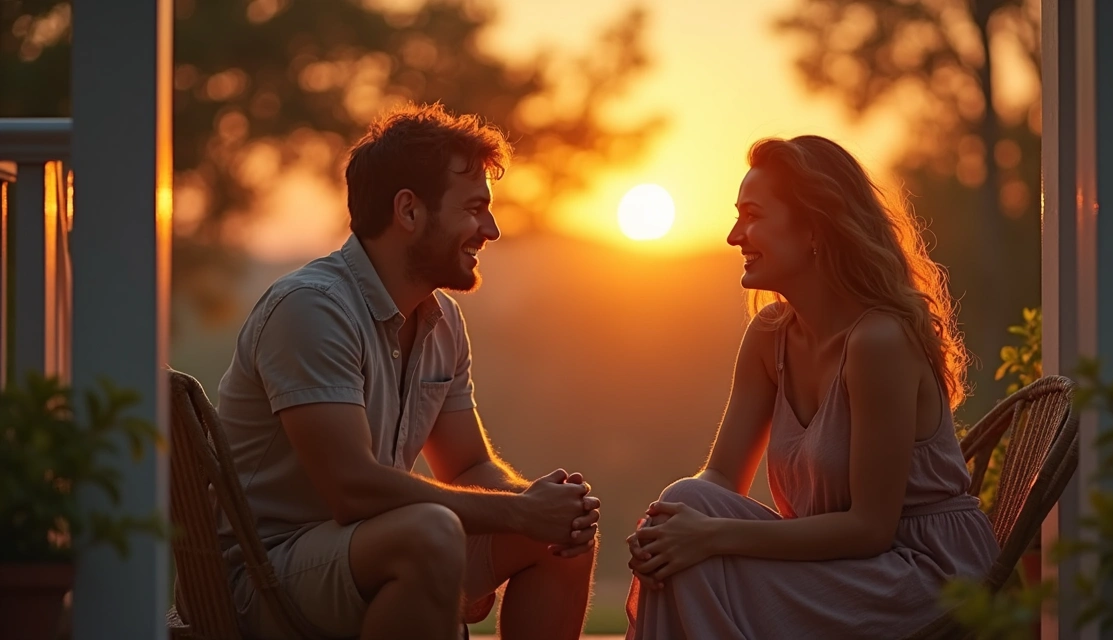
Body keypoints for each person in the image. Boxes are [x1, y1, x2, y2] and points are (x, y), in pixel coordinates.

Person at [215, 103, 599, 640]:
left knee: (565, 536)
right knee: (430, 532)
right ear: (409, 211)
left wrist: (538, 504)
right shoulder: (311, 308)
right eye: (473, 208)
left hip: (374, 545)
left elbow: (466, 466)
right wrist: (516, 515)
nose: (491, 229)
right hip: (264, 576)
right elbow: (353, 490)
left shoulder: (442, 322)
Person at [624, 135, 1000, 638]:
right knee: (686, 502)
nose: (735, 235)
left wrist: (709, 537)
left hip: (922, 574)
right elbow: (721, 476)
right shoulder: (770, 336)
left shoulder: (878, 342)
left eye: (753, 215)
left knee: (694, 557)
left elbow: (870, 528)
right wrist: (672, 525)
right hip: (839, 564)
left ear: (813, 229)